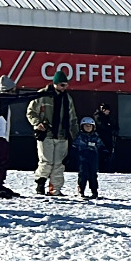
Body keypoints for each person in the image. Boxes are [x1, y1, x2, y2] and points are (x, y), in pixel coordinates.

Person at [26, 69, 78, 197]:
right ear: (55, 83)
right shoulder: (42, 95)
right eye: (62, 85)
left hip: (62, 136)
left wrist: (75, 135)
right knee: (46, 161)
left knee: (59, 164)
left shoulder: (67, 98)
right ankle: (40, 184)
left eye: (66, 85)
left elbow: (72, 118)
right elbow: (31, 112)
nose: (65, 87)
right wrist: (37, 124)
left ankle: (55, 190)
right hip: (46, 134)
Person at [0, 77, 17, 198]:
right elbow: (24, 97)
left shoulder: (3, 98)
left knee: (3, 160)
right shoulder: (0, 98)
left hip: (2, 134)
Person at [74, 117, 101, 200]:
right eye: (86, 126)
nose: (88, 127)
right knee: (83, 175)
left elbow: (101, 146)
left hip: (93, 159)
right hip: (83, 159)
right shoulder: (80, 137)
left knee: (93, 175)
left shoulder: (96, 137)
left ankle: (94, 191)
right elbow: (74, 146)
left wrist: (105, 153)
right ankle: (81, 191)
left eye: (90, 126)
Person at [95, 103, 118, 172]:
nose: (108, 112)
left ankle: (107, 168)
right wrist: (109, 126)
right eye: (107, 110)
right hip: (101, 138)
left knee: (108, 153)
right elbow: (103, 126)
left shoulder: (109, 117)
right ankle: (101, 168)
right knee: (101, 154)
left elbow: (114, 125)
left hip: (109, 138)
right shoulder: (98, 116)